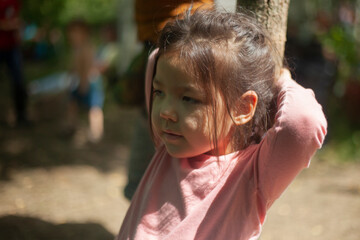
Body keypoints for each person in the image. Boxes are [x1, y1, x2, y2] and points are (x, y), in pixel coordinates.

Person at [116, 9, 327, 240]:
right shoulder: (168, 145)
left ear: (243, 108)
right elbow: (156, 58)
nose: (165, 112)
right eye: (159, 92)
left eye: (189, 98)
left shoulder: (251, 176)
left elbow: (304, 121)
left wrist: (282, 81)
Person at [122, 0, 214, 200]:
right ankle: (140, 193)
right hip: (157, 42)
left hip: (188, 39)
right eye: (158, 92)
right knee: (152, 120)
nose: (166, 112)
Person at [65, 19, 104, 143]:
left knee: (95, 108)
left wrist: (84, 82)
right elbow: (74, 66)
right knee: (72, 103)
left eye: (76, 33)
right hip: (81, 81)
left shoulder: (86, 48)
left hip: (90, 82)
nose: (73, 36)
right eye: (71, 33)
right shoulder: (77, 48)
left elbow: (87, 66)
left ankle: (96, 132)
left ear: (84, 34)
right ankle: (71, 126)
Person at [0, 0, 28, 125]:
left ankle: (21, 116)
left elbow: (16, 19)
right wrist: (10, 25)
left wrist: (19, 31)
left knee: (18, 81)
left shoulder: (17, 2)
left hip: (12, 48)